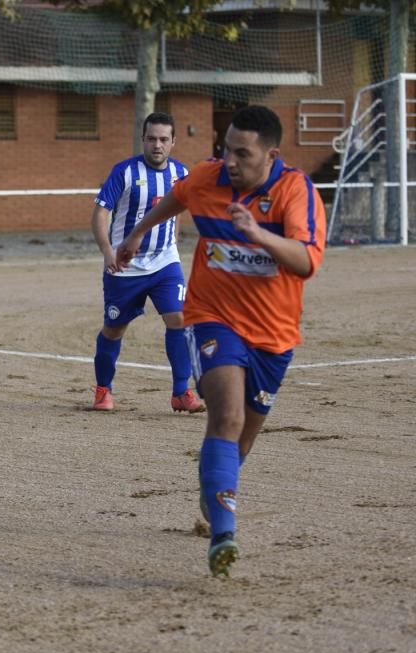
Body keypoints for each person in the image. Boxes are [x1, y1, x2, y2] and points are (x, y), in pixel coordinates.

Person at [116, 105, 326, 577]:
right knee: (225, 415)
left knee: (243, 436)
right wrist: (136, 234)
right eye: (226, 149)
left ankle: (215, 492)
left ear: (271, 155)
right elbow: (177, 197)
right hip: (214, 319)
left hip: (274, 335)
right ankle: (223, 534)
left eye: (242, 153)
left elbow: (306, 260)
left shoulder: (296, 191)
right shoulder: (209, 178)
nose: (229, 160)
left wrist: (256, 234)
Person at [90, 111, 204, 414]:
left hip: (165, 263)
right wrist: (107, 251)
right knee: (114, 330)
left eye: (164, 139)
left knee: (179, 320)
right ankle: (103, 390)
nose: (157, 145)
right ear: (143, 139)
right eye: (152, 138)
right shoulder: (123, 172)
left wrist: (173, 244)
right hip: (124, 268)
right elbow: (100, 214)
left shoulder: (181, 174)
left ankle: (181, 392)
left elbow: (177, 210)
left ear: (173, 142)